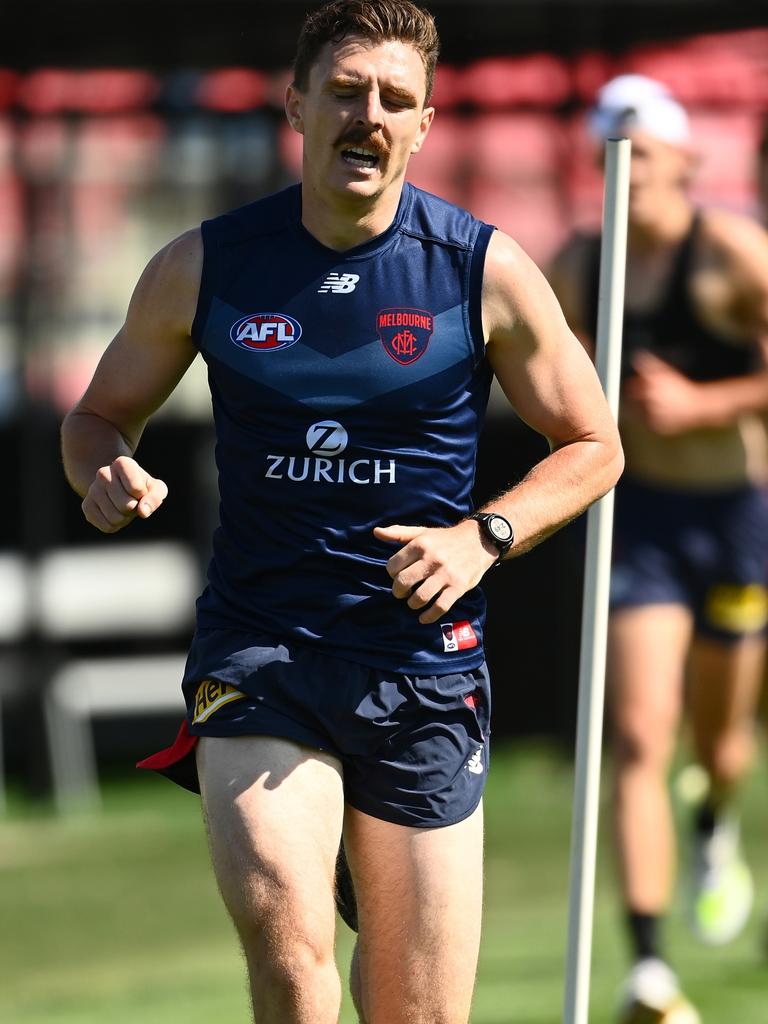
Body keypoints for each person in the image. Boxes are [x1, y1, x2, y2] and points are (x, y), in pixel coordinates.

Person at [60, 3, 622, 1021]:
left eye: (395, 101)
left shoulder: (479, 268)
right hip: (262, 648)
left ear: (426, 124)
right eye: (347, 91)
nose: (369, 116)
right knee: (288, 941)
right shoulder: (206, 262)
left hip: (421, 661)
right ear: (297, 106)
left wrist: (482, 536)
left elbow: (593, 445)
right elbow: (99, 414)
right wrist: (104, 466)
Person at [550, 74, 768, 1024]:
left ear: (685, 157)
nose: (629, 167)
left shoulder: (729, 254)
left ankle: (715, 821)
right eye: (611, 147)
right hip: (636, 522)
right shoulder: (578, 263)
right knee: (639, 734)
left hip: (732, 518)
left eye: (644, 146)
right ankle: (647, 969)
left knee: (722, 740)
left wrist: (701, 404)